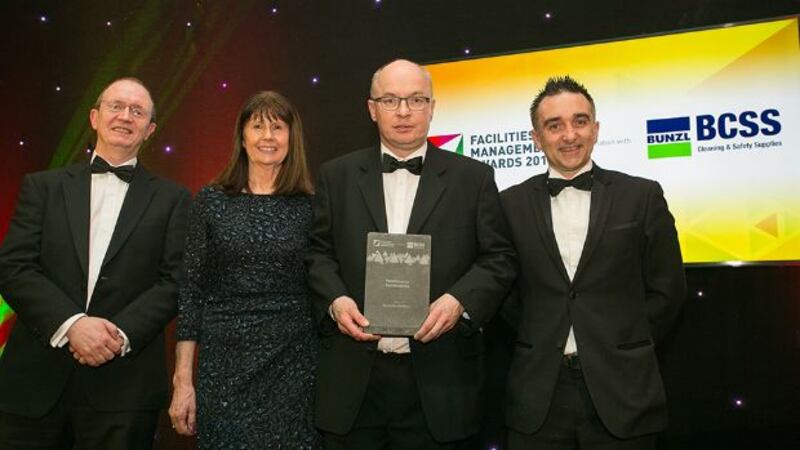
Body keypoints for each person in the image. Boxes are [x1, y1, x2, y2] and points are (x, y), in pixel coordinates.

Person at [306, 59, 516, 449]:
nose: (403, 111)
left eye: (416, 99)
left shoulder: (474, 178)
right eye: (390, 100)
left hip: (441, 384)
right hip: (354, 385)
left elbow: (499, 258)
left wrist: (460, 301)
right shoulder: (337, 175)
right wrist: (335, 301)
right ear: (372, 108)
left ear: (432, 107)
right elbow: (318, 254)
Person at [0, 77, 191, 449]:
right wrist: (72, 325)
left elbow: (176, 281)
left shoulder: (175, 198)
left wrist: (116, 335)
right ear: (94, 116)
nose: (125, 116)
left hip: (124, 392)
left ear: (150, 129)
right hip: (33, 384)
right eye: (115, 106)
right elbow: (13, 266)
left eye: (137, 111)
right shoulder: (42, 187)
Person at [499, 75, 687, 449]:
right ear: (536, 138)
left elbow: (668, 290)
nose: (569, 135)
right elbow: (503, 292)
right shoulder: (508, 205)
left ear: (596, 129)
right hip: (538, 398)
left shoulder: (642, 196)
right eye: (555, 125)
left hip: (625, 393)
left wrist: (622, 341)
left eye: (580, 121)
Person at [168, 91, 321, 449]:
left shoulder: (311, 206)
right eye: (258, 126)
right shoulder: (210, 201)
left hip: (294, 366)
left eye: (277, 127)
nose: (268, 137)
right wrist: (183, 380)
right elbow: (190, 292)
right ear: (242, 136)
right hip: (223, 368)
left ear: (291, 138)